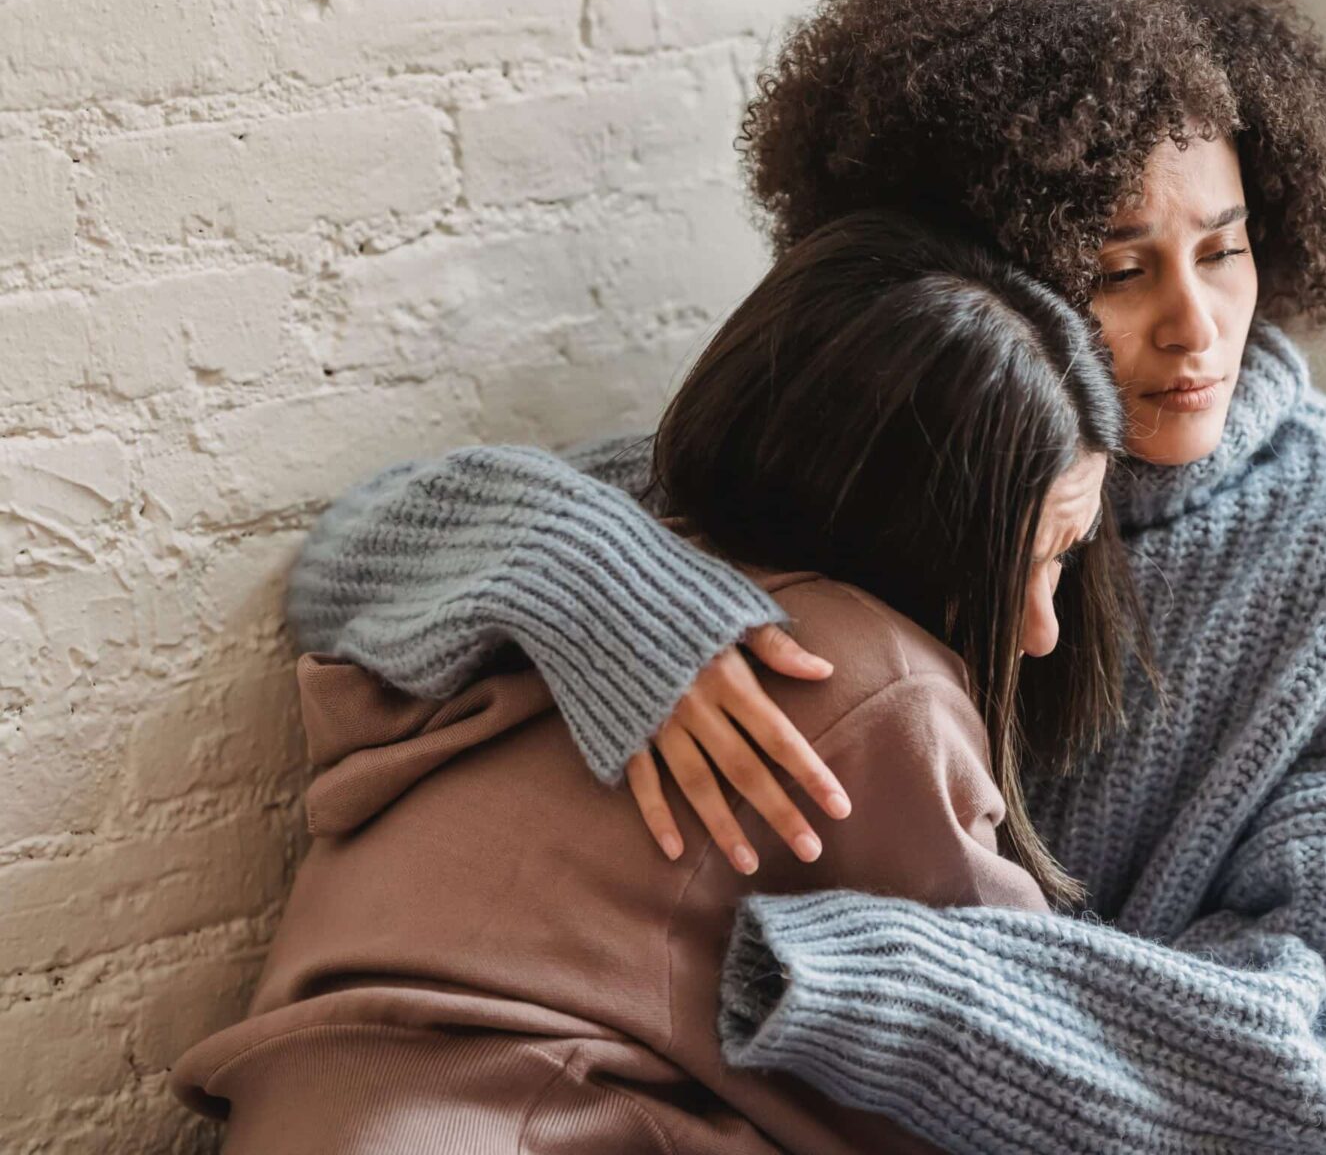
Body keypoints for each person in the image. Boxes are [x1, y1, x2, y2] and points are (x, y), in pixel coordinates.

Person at [284, 0, 1326, 1154]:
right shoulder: (902, 447)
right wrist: (608, 596)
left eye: (1225, 248)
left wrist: (873, 979)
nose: (1198, 326)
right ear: (985, 276)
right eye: (1121, 268)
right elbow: (352, 560)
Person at [169, 211, 1133, 1153]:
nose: (1044, 631)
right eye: (1036, 562)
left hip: (319, 1099)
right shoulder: (874, 679)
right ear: (916, 526)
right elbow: (1027, 1055)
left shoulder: (650, 524)